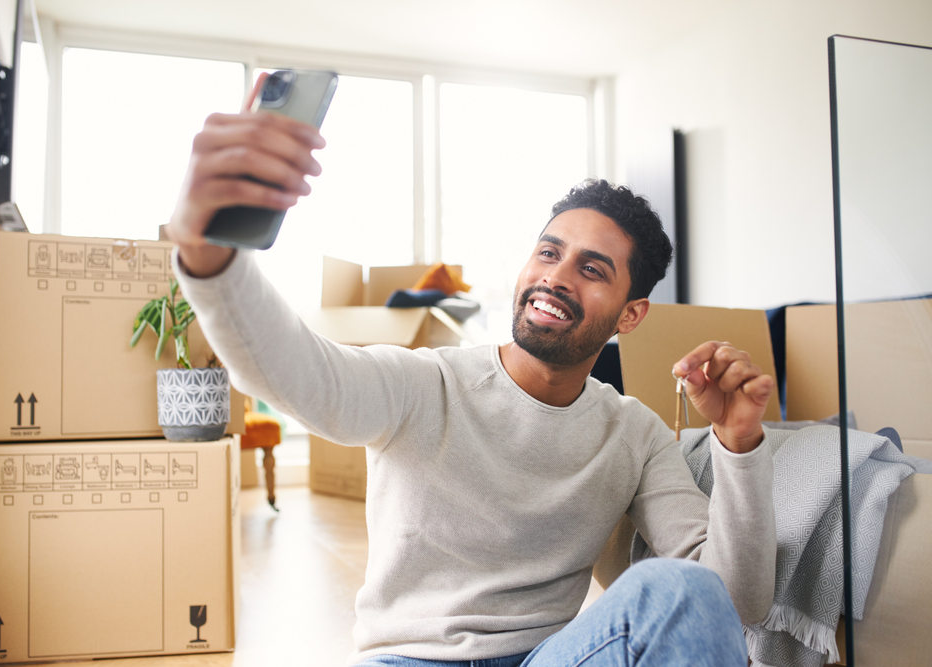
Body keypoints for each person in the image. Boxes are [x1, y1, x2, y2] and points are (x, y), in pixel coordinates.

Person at [167, 73, 777, 666]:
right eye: (548, 252)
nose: (556, 277)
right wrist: (209, 252)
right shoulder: (427, 385)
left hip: (550, 656)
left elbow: (734, 602)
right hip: (411, 660)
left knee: (684, 592)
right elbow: (298, 372)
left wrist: (740, 444)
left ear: (631, 313)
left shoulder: (634, 434)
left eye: (592, 270)